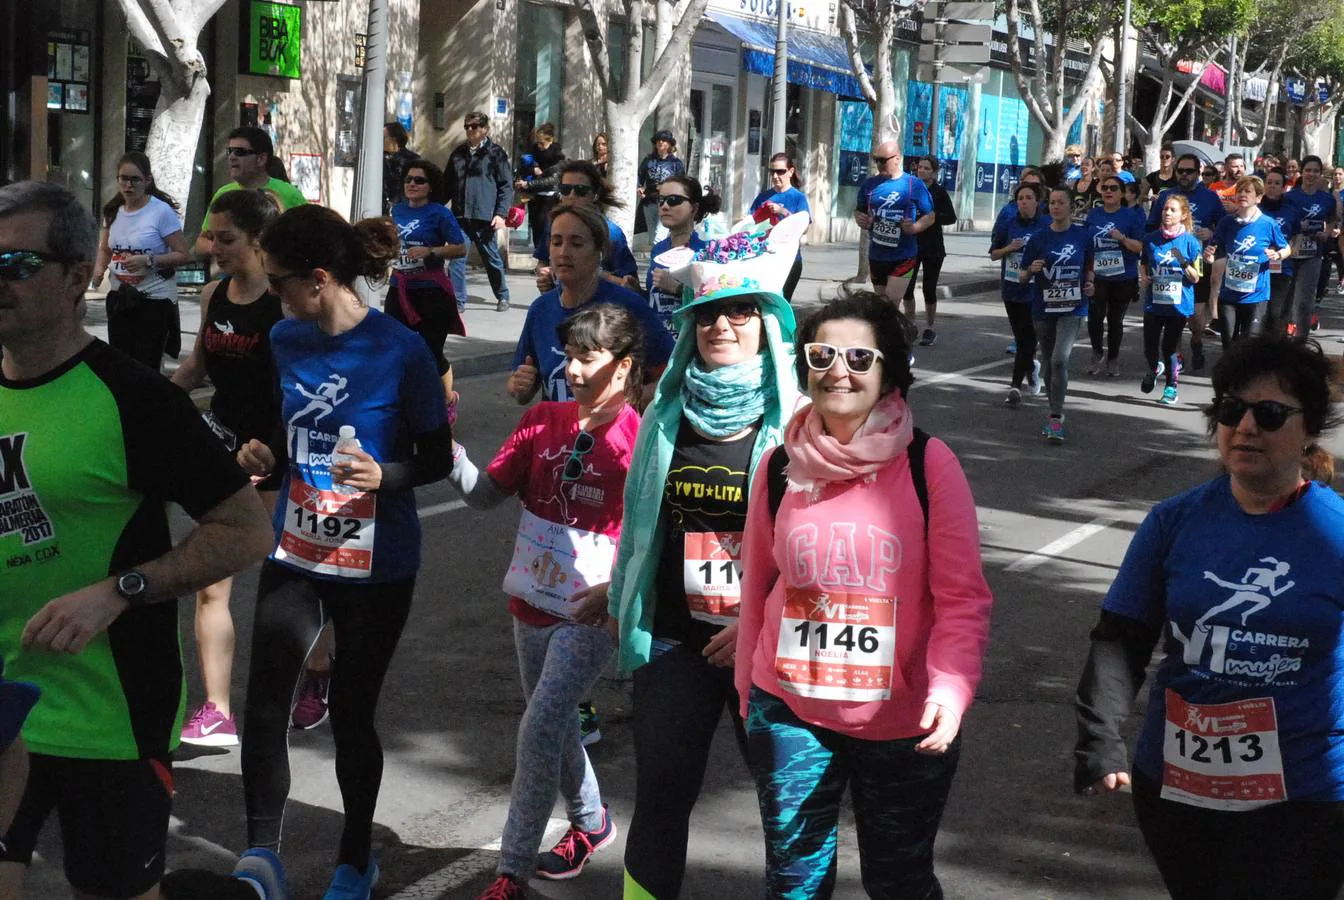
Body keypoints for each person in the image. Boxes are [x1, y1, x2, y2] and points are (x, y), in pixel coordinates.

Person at [0, 181, 275, 899]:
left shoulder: (133, 398)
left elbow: (246, 530)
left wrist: (121, 590)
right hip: (7, 711)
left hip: (109, 713)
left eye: (19, 264)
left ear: (75, 276)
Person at [734, 289, 993, 900]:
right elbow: (757, 589)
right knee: (794, 884)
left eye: (858, 358)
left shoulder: (931, 465)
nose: (837, 373)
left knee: (898, 881)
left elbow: (962, 599)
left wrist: (950, 694)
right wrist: (748, 691)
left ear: (890, 373)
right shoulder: (778, 466)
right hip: (790, 710)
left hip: (902, 722)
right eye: (822, 356)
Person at [1074, 335, 1344, 900]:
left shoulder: (1336, 531)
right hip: (1179, 786)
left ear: (1309, 428)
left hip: (1307, 796)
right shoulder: (1173, 521)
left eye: (1269, 414)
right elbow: (1121, 637)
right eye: (1230, 410)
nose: (1246, 427)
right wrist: (1100, 737)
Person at [237, 204, 454, 899]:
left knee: (353, 715)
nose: (273, 296)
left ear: (320, 279)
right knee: (266, 701)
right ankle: (260, 856)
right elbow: (290, 420)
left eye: (279, 283)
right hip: (297, 546)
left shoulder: (402, 351)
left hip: (377, 561)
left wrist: (381, 476)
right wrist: (265, 450)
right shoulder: (285, 339)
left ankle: (355, 858)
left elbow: (437, 457)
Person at [608, 215, 805, 900]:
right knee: (661, 796)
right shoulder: (666, 415)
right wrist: (619, 596)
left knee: (790, 809)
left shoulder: (798, 426)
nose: (723, 326)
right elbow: (643, 527)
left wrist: (759, 620)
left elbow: (821, 556)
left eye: (741, 313)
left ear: (768, 324)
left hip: (770, 648)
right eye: (711, 315)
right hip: (675, 639)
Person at [453, 304, 644, 900]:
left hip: (592, 611)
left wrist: (614, 593)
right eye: (570, 355)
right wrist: (447, 450)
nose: (574, 368)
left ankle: (510, 871)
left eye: (588, 357)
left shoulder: (642, 438)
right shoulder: (543, 418)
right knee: (553, 723)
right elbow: (485, 498)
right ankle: (591, 822)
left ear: (623, 365)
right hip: (531, 601)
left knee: (539, 726)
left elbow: (652, 535)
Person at [169, 189, 285, 748]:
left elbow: (304, 390)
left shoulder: (286, 306)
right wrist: (143, 406)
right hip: (224, 453)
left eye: (225, 238)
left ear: (259, 242)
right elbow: (195, 368)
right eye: (212, 236)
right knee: (211, 582)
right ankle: (216, 710)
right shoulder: (213, 295)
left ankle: (319, 672)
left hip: (281, 457)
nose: (213, 247)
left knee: (295, 583)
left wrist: (273, 444)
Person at [507, 203, 673, 407]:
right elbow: (521, 386)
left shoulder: (629, 306)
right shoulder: (540, 309)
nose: (564, 252)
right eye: (556, 242)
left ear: (600, 251)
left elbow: (671, 376)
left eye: (576, 244)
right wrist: (521, 385)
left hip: (614, 437)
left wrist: (623, 405)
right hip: (560, 437)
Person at [90, 150, 192, 373]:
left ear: (147, 180)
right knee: (120, 361)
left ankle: (149, 406)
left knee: (146, 365)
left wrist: (149, 260)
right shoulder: (113, 211)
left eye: (135, 179)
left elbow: (183, 254)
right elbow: (105, 249)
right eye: (123, 179)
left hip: (153, 299)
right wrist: (98, 272)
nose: (128, 185)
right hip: (121, 297)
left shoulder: (160, 212)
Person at [388, 159, 467, 422]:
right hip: (399, 289)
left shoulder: (439, 213)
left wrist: (430, 251)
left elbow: (460, 248)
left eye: (419, 180)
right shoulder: (396, 210)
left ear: (430, 186)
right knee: (396, 349)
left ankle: (447, 401)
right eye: (408, 179)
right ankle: (405, 405)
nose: (411, 184)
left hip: (431, 291)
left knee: (431, 352)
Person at [1020, 186, 1094, 442]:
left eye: (1061, 202)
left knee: (1060, 359)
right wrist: (1031, 269)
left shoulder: (1083, 236)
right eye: (1052, 203)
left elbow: (1089, 268)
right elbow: (1021, 275)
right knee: (1051, 360)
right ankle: (1054, 411)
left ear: (1071, 206)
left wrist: (1090, 282)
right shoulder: (1039, 238)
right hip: (1044, 307)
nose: (1056, 207)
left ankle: (1055, 416)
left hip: (1073, 307)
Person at [1149, 152, 1225, 372]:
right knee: (1174, 316)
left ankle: (1197, 341)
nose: (1183, 175)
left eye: (1189, 171)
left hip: (1198, 263)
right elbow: (1151, 225)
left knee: (1196, 318)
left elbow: (1223, 227)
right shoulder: (1167, 196)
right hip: (1170, 264)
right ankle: (1177, 357)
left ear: (1198, 172)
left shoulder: (1210, 197)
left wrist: (1209, 232)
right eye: (1180, 171)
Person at [195, 127, 308, 258]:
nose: (232, 157)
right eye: (229, 151)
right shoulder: (223, 194)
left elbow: (308, 239)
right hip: (234, 276)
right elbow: (201, 242)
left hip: (276, 275)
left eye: (239, 152)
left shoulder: (289, 194)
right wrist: (227, 247)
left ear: (261, 159)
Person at [1205, 175, 1289, 348]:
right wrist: (1209, 255)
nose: (1242, 194)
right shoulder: (1227, 222)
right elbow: (1214, 248)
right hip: (1229, 294)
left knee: (1250, 345)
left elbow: (1286, 248)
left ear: (1258, 197)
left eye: (1248, 191)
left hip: (1256, 296)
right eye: (1240, 191)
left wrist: (1278, 255)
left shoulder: (1268, 224)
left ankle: (1246, 374)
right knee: (1229, 342)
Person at [533, 159, 640, 295]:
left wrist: (593, 273)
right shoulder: (553, 224)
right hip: (561, 307)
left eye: (581, 190)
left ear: (594, 195)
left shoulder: (611, 232)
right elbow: (541, 263)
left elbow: (631, 287)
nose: (571, 196)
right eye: (565, 190)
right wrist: (545, 277)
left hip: (600, 310)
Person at [1138, 194, 1205, 405]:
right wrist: (1144, 277)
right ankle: (1154, 367)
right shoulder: (1151, 239)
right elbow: (1144, 262)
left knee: (1169, 346)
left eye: (1173, 210)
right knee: (1149, 346)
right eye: (1165, 209)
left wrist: (1183, 262)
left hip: (1178, 304)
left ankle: (1170, 387)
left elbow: (1196, 278)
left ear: (1183, 215)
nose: (1167, 213)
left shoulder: (1191, 243)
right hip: (1154, 302)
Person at [445, 111, 514, 312]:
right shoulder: (458, 154)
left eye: (475, 126)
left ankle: (502, 295)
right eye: (467, 126)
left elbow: (506, 186)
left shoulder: (496, 153)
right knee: (456, 259)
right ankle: (458, 301)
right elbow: (446, 184)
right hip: (460, 216)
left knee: (491, 259)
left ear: (485, 129)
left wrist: (501, 214)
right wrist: (434, 207)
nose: (470, 130)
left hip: (484, 217)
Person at [855, 139, 935, 305]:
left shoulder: (913, 184)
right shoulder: (870, 185)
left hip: (903, 255)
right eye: (877, 160)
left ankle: (896, 330)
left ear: (897, 158)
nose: (880, 164)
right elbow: (860, 211)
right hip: (877, 254)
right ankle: (896, 330)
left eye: (884, 160)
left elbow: (930, 216)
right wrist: (860, 219)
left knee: (891, 304)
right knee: (881, 304)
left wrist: (914, 228)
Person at [990, 182, 1046, 407]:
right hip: (1012, 288)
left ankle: (1014, 386)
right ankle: (1032, 368)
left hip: (1036, 291)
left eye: (1028, 197)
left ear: (1037, 201)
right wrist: (1009, 248)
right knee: (1024, 340)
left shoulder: (1046, 225)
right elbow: (994, 254)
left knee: (1026, 341)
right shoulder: (1008, 224)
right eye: (1020, 198)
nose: (1023, 201)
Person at [1085, 175, 1146, 376]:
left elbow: (1139, 247)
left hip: (1123, 276)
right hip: (1098, 275)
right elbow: (1087, 245)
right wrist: (1088, 271)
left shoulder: (1131, 216)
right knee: (1094, 317)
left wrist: (1122, 239)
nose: (1108, 191)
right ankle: (1096, 352)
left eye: (1113, 188)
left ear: (1122, 193)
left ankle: (1113, 358)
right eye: (1105, 187)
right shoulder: (1093, 215)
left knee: (1115, 320)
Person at [646, 175, 714, 336]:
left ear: (694, 208)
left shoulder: (707, 250)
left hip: (691, 343)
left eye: (674, 200)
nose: (664, 206)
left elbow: (715, 302)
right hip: (659, 341)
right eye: (661, 200)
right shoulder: (658, 249)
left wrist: (678, 289)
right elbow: (655, 299)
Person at [904, 154, 957, 346]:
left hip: (933, 247)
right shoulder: (910, 189)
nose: (922, 171)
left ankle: (929, 328)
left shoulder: (939, 192)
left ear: (934, 173)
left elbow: (951, 217)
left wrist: (933, 217)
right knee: (907, 288)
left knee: (929, 287)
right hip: (911, 246)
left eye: (927, 168)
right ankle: (909, 325)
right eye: (920, 167)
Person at [1284, 155, 1339, 338]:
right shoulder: (1290, 197)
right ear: (1302, 172)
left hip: (1313, 252)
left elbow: (1331, 219)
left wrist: (1327, 232)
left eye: (1316, 171)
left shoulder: (1326, 199)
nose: (1311, 174)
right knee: (1286, 297)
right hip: (1289, 253)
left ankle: (1301, 339)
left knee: (1305, 300)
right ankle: (1281, 337)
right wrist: (1296, 229)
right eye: (1308, 170)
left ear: (1320, 174)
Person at [748, 153, 811, 302]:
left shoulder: (798, 198)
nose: (775, 176)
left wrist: (783, 211)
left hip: (789, 260)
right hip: (764, 258)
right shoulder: (763, 197)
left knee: (781, 302)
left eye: (780, 171)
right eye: (772, 172)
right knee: (763, 303)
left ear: (790, 172)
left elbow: (805, 228)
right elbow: (750, 224)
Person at [1260, 167, 1303, 335]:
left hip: (1282, 267)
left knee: (1275, 312)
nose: (1272, 186)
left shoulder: (1290, 209)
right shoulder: (1256, 208)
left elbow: (1297, 234)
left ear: (1284, 187)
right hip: (1256, 267)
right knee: (1257, 312)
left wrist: (1293, 250)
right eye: (1269, 182)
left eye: (1277, 183)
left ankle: (1276, 348)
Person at [514, 123, 565, 260]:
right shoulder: (534, 156)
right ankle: (542, 261)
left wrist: (528, 184)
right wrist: (530, 172)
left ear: (550, 140)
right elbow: (523, 170)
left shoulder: (557, 157)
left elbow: (551, 181)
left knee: (548, 233)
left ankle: (549, 262)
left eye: (542, 143)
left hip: (550, 200)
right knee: (537, 232)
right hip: (535, 199)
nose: (539, 147)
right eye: (537, 143)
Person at [636, 130, 686, 243]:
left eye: (664, 140)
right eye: (658, 140)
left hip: (667, 202)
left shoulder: (676, 163)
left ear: (670, 144)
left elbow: (681, 183)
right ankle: (658, 258)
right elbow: (639, 176)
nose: (660, 142)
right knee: (653, 235)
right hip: (649, 201)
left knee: (659, 237)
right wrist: (639, 187)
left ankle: (658, 259)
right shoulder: (648, 161)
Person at [382, 121, 419, 214]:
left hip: (404, 209)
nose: (379, 141)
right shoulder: (378, 158)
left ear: (394, 140)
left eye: (383, 138)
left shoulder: (412, 160)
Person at [1070, 158, 1100, 224]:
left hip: (1088, 221)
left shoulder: (1096, 184)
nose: (1084, 166)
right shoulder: (1073, 182)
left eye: (1087, 165)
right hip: (1072, 220)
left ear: (1093, 168)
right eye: (1082, 164)